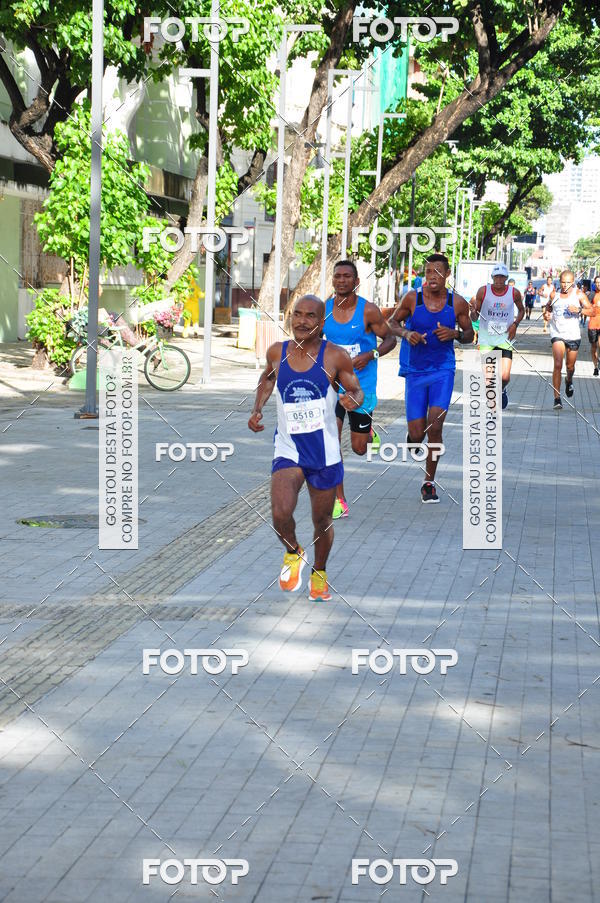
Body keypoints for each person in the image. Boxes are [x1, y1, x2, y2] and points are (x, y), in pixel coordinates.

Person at [248, 295, 363, 601]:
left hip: (324, 453)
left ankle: (320, 572)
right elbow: (266, 380)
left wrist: (353, 400)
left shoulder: (335, 356)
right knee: (279, 514)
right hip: (288, 449)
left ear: (321, 322)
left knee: (321, 520)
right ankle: (294, 551)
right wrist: (257, 408)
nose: (301, 321)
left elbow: (355, 389)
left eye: (309, 316)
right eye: (296, 314)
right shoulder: (277, 352)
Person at [388, 253, 473, 503]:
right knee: (417, 433)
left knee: (435, 426)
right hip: (415, 371)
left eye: (438, 271)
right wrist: (406, 333)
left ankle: (429, 482)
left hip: (442, 370)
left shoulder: (457, 303)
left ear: (447, 275)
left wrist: (455, 334)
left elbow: (469, 334)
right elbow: (391, 322)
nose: (432, 276)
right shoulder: (412, 298)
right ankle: (413, 437)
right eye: (428, 272)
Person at [323, 260, 396, 519]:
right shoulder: (324, 310)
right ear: (333, 280)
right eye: (337, 276)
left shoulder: (369, 311)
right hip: (332, 385)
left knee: (359, 448)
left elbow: (390, 339)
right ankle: (339, 499)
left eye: (347, 276)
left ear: (356, 282)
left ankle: (368, 432)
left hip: (360, 387)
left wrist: (371, 354)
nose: (341, 280)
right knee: (330, 442)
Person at [472, 262, 524, 409]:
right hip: (486, 339)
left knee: (505, 376)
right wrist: (473, 312)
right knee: (489, 379)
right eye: (496, 277)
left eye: (502, 278)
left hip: (504, 338)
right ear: (492, 277)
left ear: (506, 278)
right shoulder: (483, 291)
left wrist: (515, 324)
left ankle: (501, 389)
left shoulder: (514, 293)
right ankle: (492, 407)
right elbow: (474, 317)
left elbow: (521, 310)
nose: (499, 281)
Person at [543, 269, 593, 409]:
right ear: (559, 282)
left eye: (568, 283)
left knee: (570, 367)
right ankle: (557, 399)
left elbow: (593, 311)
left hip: (573, 335)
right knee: (558, 364)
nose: (565, 285)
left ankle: (568, 380)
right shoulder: (555, 294)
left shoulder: (578, 294)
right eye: (562, 282)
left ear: (573, 282)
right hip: (557, 333)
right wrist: (546, 315)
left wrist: (579, 310)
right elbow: (548, 309)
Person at [586, 276, 600, 375]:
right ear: (594, 283)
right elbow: (585, 307)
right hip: (593, 324)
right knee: (594, 346)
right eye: (597, 282)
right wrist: (593, 306)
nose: (599, 284)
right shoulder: (592, 295)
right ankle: (595, 366)